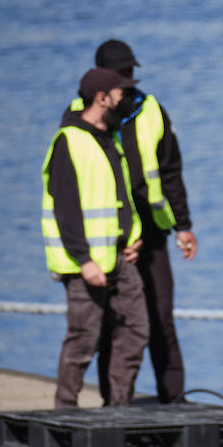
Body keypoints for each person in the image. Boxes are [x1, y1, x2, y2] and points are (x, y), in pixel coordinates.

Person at [68, 39, 196, 404]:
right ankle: (115, 403)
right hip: (108, 239)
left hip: (152, 233)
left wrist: (183, 225)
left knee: (161, 318)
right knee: (115, 324)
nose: (128, 80)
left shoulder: (151, 110)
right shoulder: (82, 118)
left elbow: (171, 170)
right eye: (121, 74)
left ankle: (174, 400)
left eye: (130, 72)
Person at [43, 67, 149, 408]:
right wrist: (84, 260)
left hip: (120, 257)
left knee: (136, 331)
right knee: (83, 341)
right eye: (120, 93)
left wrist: (133, 235)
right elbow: (66, 208)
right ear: (102, 98)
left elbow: (119, 196)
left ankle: (118, 409)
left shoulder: (110, 136)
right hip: (86, 264)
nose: (126, 98)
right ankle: (64, 412)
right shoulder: (69, 141)